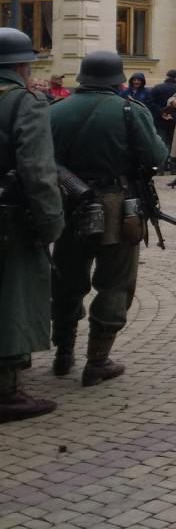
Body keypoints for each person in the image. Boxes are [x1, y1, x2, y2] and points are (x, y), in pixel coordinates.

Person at [50, 50, 169, 388]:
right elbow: (158, 156)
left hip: (68, 204)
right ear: (118, 80)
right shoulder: (130, 110)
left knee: (66, 280)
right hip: (119, 206)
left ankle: (63, 353)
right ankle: (98, 360)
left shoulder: (54, 111)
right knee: (115, 282)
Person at [0, 28, 63, 422]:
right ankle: (6, 390)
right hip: (9, 219)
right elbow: (39, 171)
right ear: (22, 66)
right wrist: (51, 221)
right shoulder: (25, 102)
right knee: (13, 296)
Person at [149, 69, 176, 147]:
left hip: (160, 119)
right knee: (173, 142)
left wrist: (162, 112)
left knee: (161, 141)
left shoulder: (157, 87)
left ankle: (163, 158)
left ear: (166, 77)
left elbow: (151, 103)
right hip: (174, 120)